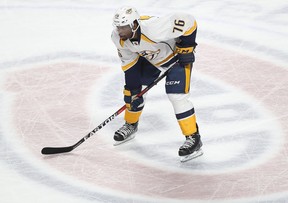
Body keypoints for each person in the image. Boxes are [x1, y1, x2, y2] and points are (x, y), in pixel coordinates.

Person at [111, 6, 203, 161]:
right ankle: (131, 125)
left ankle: (194, 138)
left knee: (176, 96)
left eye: (123, 27)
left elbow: (189, 21)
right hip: (151, 59)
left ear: (134, 25)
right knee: (134, 92)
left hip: (176, 59)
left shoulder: (154, 28)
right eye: (118, 27)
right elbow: (130, 65)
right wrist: (133, 90)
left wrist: (186, 48)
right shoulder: (118, 38)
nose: (120, 31)